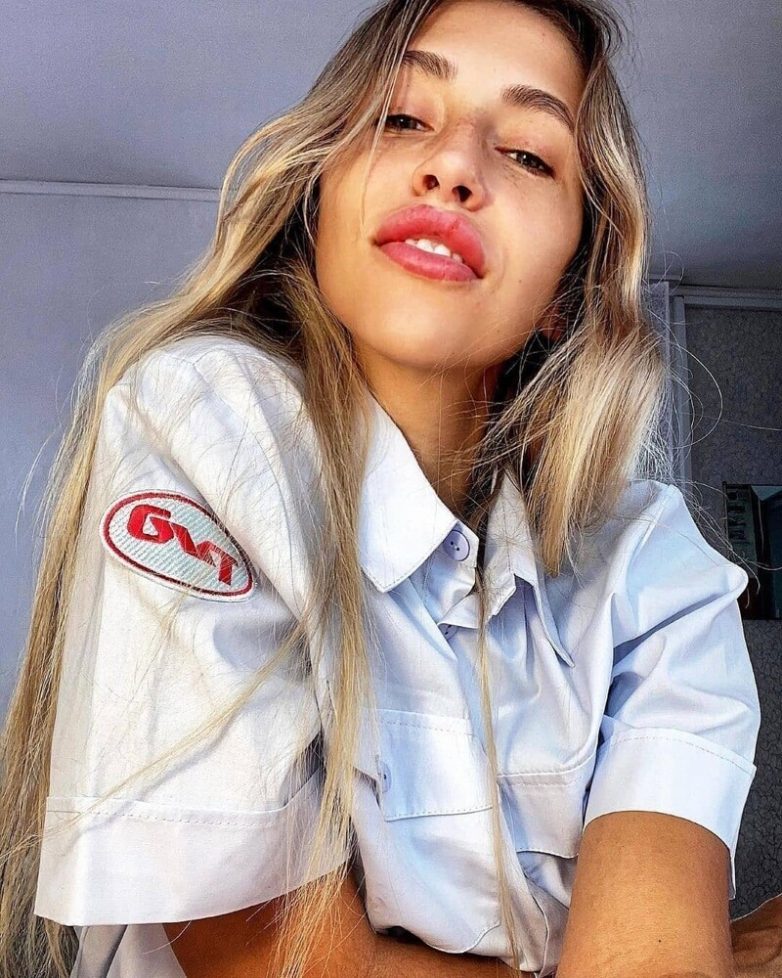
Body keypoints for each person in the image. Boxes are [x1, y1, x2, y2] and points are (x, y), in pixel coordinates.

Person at [0, 0, 776, 976]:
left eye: (528, 154)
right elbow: (273, 964)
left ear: (567, 291)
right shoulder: (205, 416)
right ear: (316, 205)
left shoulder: (655, 566)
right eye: (401, 117)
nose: (453, 165)